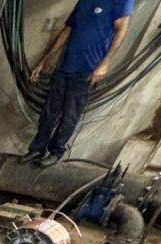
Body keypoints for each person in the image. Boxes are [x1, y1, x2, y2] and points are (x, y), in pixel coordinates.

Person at [21, 0, 133, 168]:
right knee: (49, 112)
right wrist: (43, 62)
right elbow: (66, 31)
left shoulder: (120, 2)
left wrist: (104, 63)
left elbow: (121, 29)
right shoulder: (84, 2)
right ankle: (37, 149)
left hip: (87, 70)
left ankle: (56, 151)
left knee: (69, 115)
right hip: (65, 66)